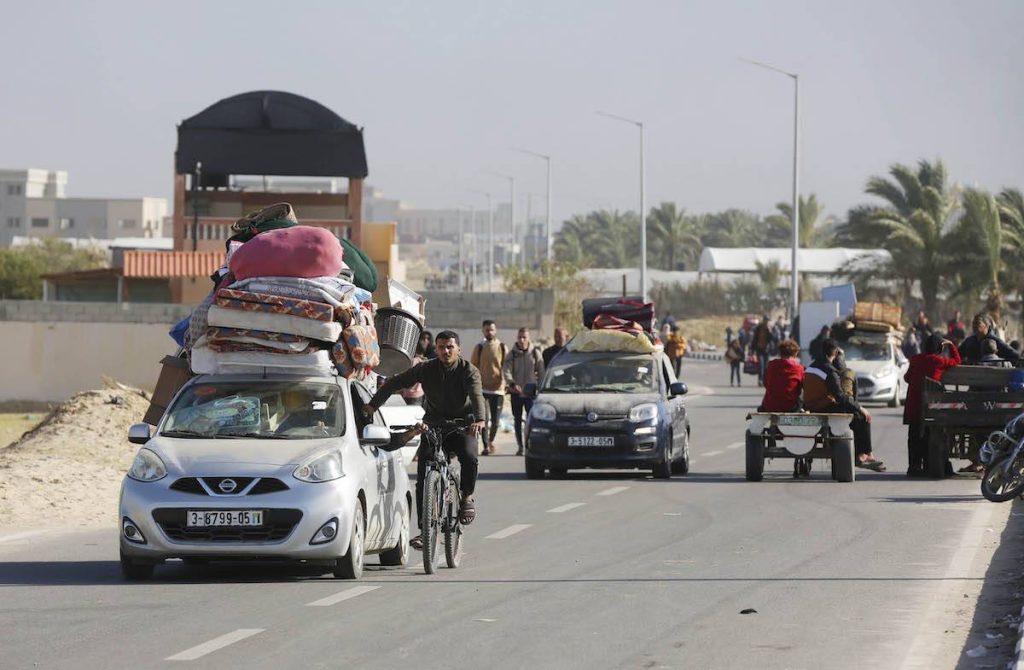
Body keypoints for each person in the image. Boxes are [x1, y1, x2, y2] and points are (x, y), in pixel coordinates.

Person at [365, 331, 486, 548]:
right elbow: (394, 383)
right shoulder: (425, 369)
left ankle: (466, 497)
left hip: (462, 425)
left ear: (458, 349)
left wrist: (479, 419)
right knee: (424, 474)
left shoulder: (469, 371)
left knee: (469, 457)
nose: (445, 351)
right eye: (441, 347)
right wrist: (372, 406)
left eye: (450, 347)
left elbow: (477, 395)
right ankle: (425, 531)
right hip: (434, 425)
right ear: (436, 349)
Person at [803, 338, 884, 471]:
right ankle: (864, 454)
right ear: (835, 353)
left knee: (854, 412)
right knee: (861, 416)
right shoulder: (829, 371)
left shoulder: (811, 367)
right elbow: (840, 397)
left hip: (810, 406)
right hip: (823, 408)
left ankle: (862, 454)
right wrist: (860, 407)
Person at [903, 334, 960, 477]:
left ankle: (914, 466)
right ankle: (929, 464)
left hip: (914, 406)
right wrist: (951, 345)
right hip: (931, 408)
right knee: (930, 434)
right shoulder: (939, 361)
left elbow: (907, 378)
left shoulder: (915, 359)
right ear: (939, 349)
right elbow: (957, 360)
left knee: (914, 436)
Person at [502, 327, 545, 456]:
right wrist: (512, 383)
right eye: (520, 337)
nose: (522, 340)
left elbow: (541, 371)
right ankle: (520, 446)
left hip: (530, 393)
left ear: (528, 338)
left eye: (524, 337)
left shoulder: (535, 353)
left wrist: (539, 387)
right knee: (517, 420)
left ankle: (529, 445)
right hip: (516, 392)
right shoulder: (512, 354)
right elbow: (506, 370)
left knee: (531, 420)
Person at [470, 320, 508, 455]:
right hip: (482, 389)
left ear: (495, 330)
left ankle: (491, 441)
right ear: (483, 331)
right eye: (487, 330)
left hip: (498, 389)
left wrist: (506, 383)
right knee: (483, 419)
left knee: (496, 421)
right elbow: (473, 367)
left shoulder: (502, 347)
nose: (489, 332)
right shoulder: (479, 347)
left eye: (491, 330)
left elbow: (507, 367)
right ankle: (486, 445)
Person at [758, 339, 803, 412]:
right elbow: (801, 388)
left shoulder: (771, 365)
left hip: (769, 406)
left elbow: (766, 384)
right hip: (790, 407)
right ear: (795, 354)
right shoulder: (799, 368)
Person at [752, 315, 774, 387]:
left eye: (767, 321)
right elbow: (755, 338)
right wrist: (752, 349)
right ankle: (760, 380)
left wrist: (770, 331)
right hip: (759, 349)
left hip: (766, 350)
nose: (766, 322)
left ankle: (765, 380)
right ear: (763, 320)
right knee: (761, 365)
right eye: (766, 320)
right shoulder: (758, 328)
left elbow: (773, 338)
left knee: (766, 366)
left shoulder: (770, 328)